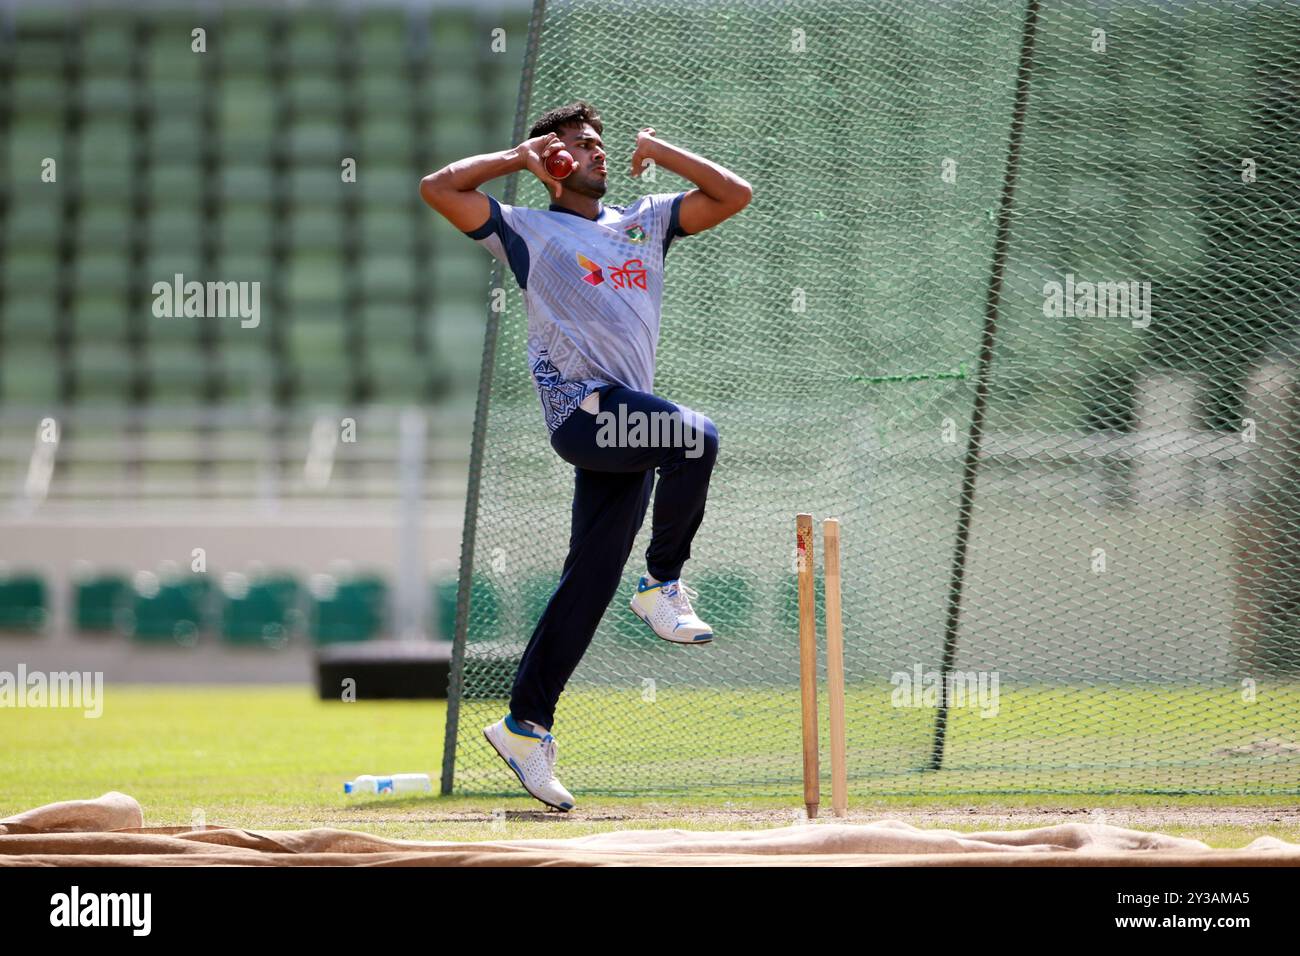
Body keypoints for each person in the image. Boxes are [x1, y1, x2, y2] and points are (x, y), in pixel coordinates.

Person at [420, 100, 751, 810]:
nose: (598, 153)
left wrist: (661, 152)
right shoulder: (526, 229)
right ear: (556, 161)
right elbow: (438, 188)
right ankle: (663, 583)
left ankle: (524, 728)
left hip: (624, 423)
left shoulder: (646, 221)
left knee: (589, 583)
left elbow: (734, 194)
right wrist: (517, 157)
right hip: (583, 412)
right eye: (581, 145)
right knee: (695, 437)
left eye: (601, 144)